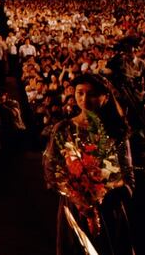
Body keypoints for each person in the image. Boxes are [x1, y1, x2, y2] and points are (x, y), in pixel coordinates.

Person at [43, 73, 135, 255]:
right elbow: (51, 171)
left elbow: (128, 177)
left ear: (105, 97)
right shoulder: (63, 129)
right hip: (74, 208)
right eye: (80, 93)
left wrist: (100, 194)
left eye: (92, 94)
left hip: (108, 209)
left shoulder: (115, 131)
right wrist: (77, 197)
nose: (85, 99)